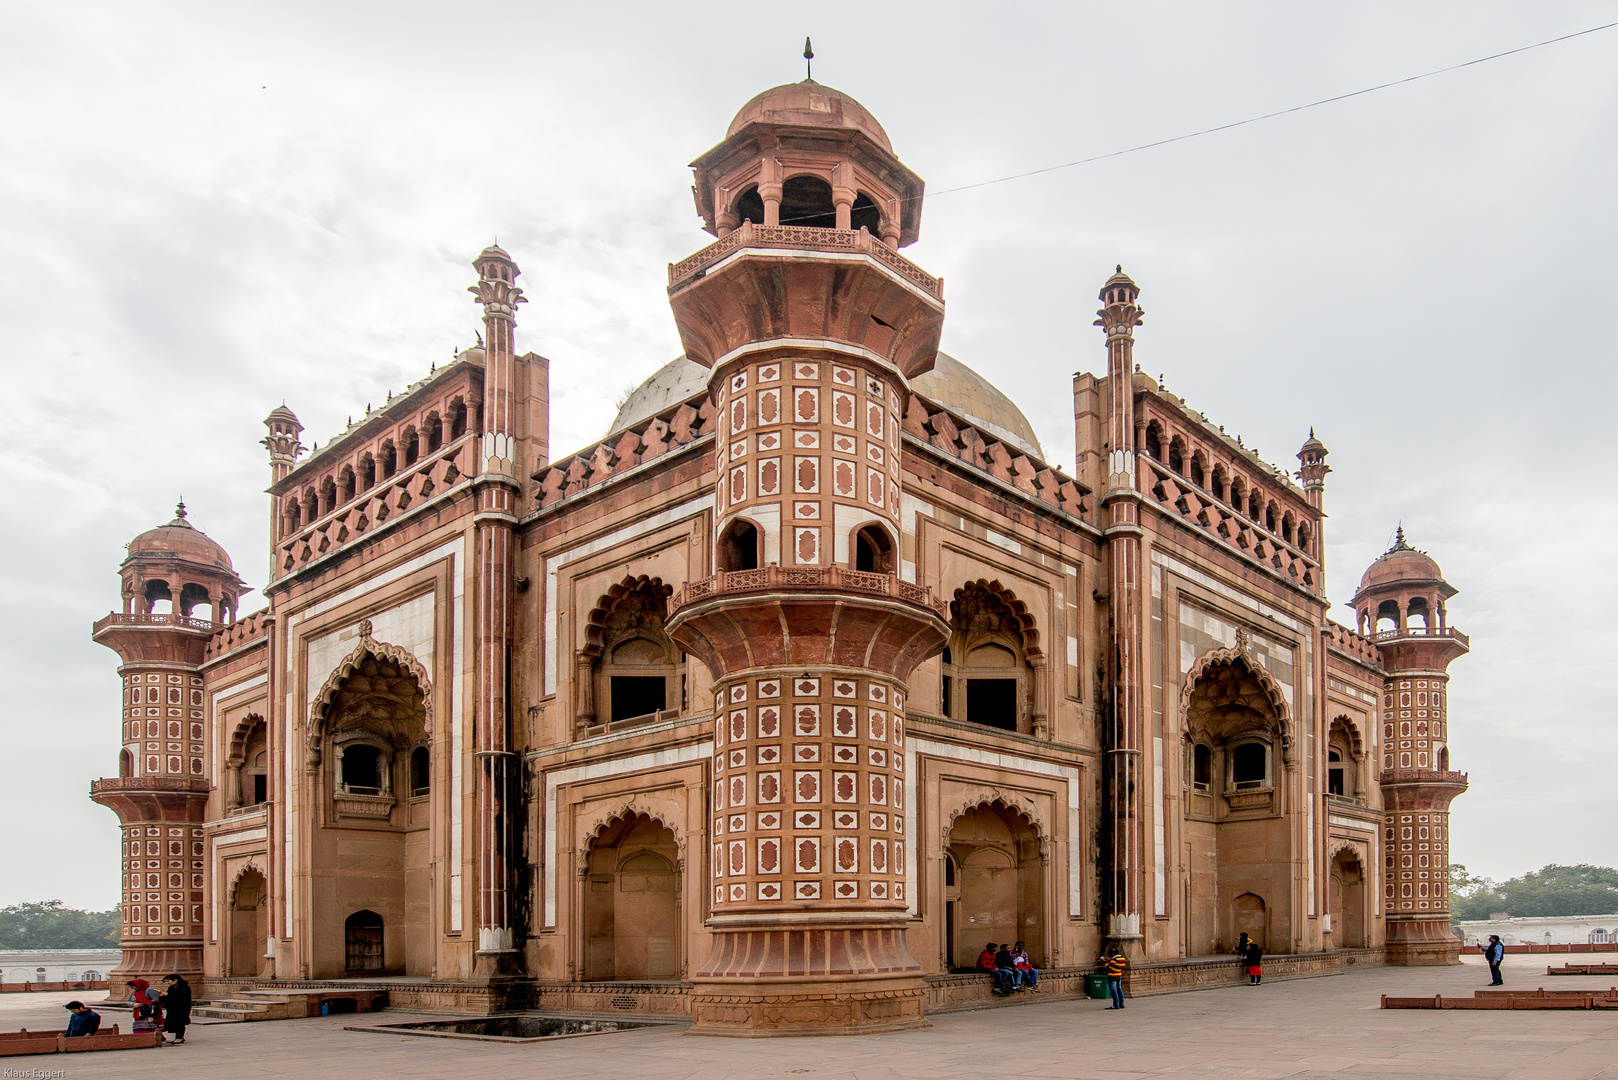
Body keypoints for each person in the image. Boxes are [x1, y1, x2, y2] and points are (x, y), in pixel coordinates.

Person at [159, 973, 193, 1045]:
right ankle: (176, 1037)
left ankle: (180, 1037)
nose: (168, 983)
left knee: (180, 1022)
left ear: (175, 980)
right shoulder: (171, 987)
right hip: (172, 1008)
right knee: (173, 1022)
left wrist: (167, 995)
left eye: (169, 981)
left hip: (181, 1008)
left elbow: (181, 998)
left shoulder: (184, 987)